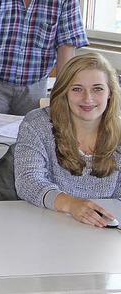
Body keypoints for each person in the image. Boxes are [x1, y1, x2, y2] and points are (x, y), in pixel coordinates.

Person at [14, 52, 121, 227]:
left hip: (102, 232)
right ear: (64, 92)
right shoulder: (38, 125)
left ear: (110, 93)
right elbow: (28, 181)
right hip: (44, 225)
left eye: (98, 89)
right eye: (77, 89)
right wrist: (72, 204)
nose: (88, 98)